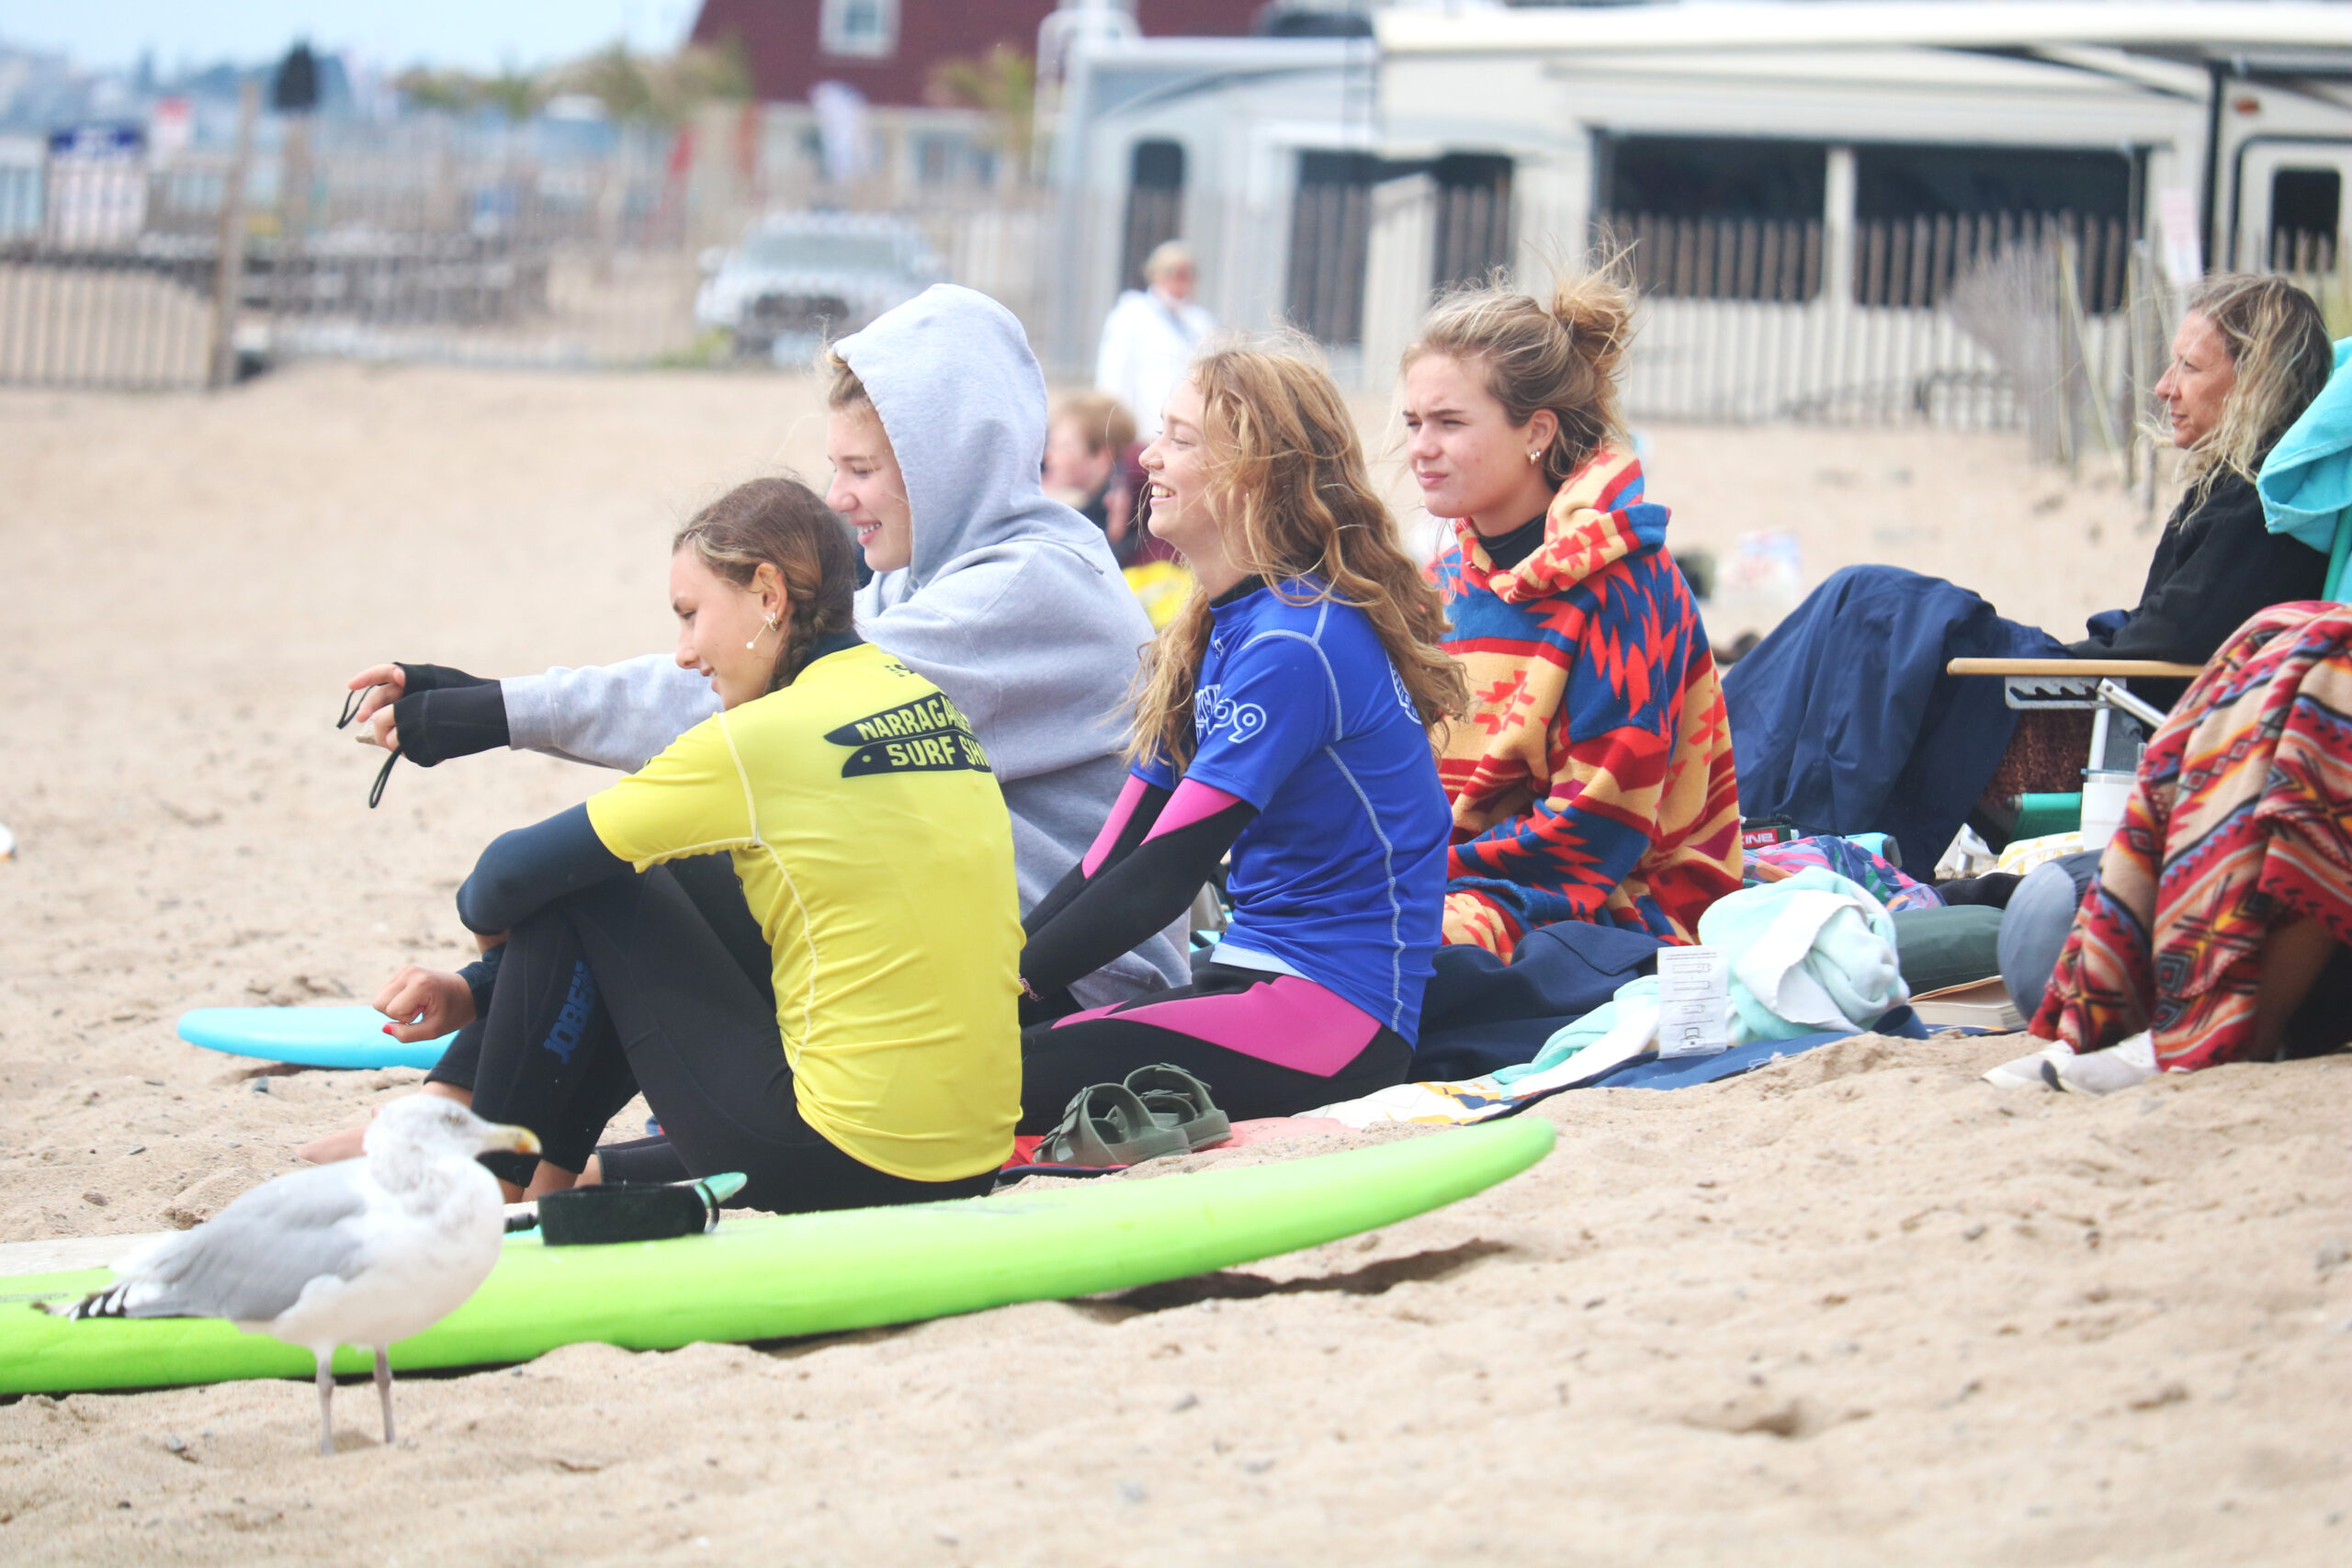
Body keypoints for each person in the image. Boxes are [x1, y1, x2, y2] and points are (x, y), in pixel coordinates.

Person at [340, 286, 1185, 1015]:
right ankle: (473, 1091)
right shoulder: (920, 577)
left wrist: (502, 711)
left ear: (948, 462)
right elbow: (751, 684)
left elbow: (765, 710)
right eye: (834, 466)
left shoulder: (1023, 590)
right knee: (689, 859)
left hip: (1073, 987)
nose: (836, 497)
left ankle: (479, 1101)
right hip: (983, 948)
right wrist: (492, 702)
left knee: (681, 863)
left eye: (861, 469)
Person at [365, 477, 1021, 1211]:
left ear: (768, 594)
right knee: (663, 867)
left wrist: (482, 974)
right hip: (971, 1157)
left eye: (690, 616)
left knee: (591, 882)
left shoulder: (755, 741)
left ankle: (485, 1192)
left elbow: (501, 879)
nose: (682, 653)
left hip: (835, 1158)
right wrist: (485, 988)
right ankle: (541, 1186)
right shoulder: (923, 701)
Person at [1724, 274, 2335, 864]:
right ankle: (1736, 782)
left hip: (2096, 715)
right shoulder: (2247, 492)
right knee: (1863, 608)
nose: (2163, 387)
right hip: (2095, 688)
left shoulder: (2267, 510)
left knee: (1872, 610)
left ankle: (1745, 798)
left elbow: (2175, 648)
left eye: (2190, 368)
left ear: (2256, 380)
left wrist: (2049, 662)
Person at [1014, 344, 1464, 1126]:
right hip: (1250, 979)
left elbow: (1164, 875)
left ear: (1253, 475)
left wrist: (1005, 987)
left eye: (1181, 438)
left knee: (998, 1073)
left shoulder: (1296, 642)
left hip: (1333, 1017)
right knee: (999, 1040)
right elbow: (1110, 857)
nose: (1148, 456)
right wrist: (1005, 973)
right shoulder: (1220, 628)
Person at [1400, 272, 1743, 958]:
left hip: (1614, 904)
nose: (1420, 448)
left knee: (1375, 955)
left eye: (1449, 423)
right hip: (1449, 883)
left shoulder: (1626, 587)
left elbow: (1592, 830)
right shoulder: (1442, 580)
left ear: (1537, 431)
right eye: (1414, 423)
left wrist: (1406, 886)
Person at [1094, 241, 1215, 445]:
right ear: (1157, 275)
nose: (1182, 282)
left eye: (1188, 276)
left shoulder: (1199, 320)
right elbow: (1113, 374)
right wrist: (1113, 425)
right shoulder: (1132, 313)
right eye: (1175, 275)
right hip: (1141, 430)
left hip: (1185, 429)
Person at [1043, 389, 1136, 552]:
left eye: (1063, 447)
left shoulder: (1118, 523)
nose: (1048, 455)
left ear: (1101, 457)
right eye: (1051, 444)